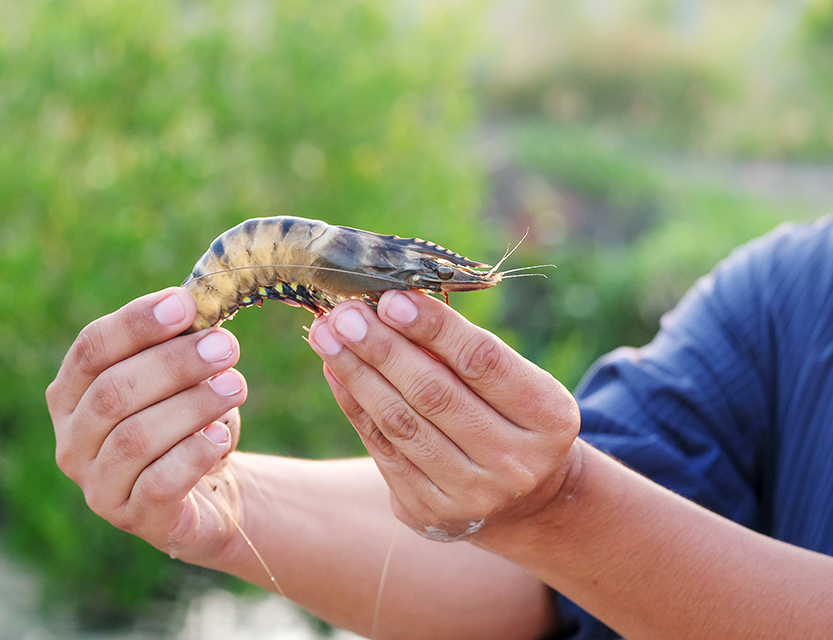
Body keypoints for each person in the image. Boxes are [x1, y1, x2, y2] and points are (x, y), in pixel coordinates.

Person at [47, 216, 833, 639]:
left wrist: (560, 507)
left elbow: (582, 536)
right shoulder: (787, 293)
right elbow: (564, 581)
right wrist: (221, 499)